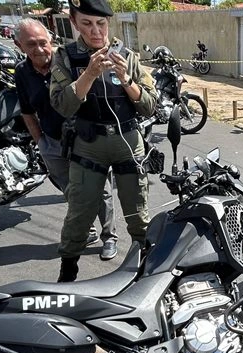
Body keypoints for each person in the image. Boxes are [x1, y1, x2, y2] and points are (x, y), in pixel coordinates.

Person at [49, 0, 157, 282]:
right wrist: (89, 74)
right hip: (88, 144)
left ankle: (146, 272)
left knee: (138, 214)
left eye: (101, 24)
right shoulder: (65, 56)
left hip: (127, 142)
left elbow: (148, 106)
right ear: (74, 23)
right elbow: (62, 105)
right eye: (87, 23)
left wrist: (124, 79)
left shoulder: (128, 56)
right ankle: (67, 274)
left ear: (109, 23)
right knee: (79, 214)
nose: (95, 31)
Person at [13, 18, 120, 260]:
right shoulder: (22, 72)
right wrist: (41, 142)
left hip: (86, 139)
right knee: (71, 191)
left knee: (100, 191)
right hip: (52, 143)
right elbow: (27, 111)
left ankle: (109, 237)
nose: (40, 49)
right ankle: (87, 229)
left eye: (43, 42)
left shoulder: (69, 60)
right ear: (20, 45)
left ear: (50, 40)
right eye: (32, 44)